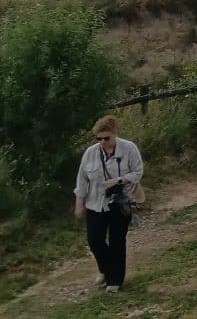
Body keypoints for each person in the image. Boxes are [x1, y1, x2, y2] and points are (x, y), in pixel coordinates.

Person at [75, 115, 143, 293]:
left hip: (121, 202)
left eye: (107, 138)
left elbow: (138, 172)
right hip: (95, 202)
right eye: (99, 139)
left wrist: (119, 180)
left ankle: (115, 280)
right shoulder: (90, 153)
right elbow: (82, 179)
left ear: (114, 134)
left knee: (117, 241)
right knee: (94, 239)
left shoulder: (129, 148)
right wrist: (79, 202)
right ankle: (105, 270)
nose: (103, 142)